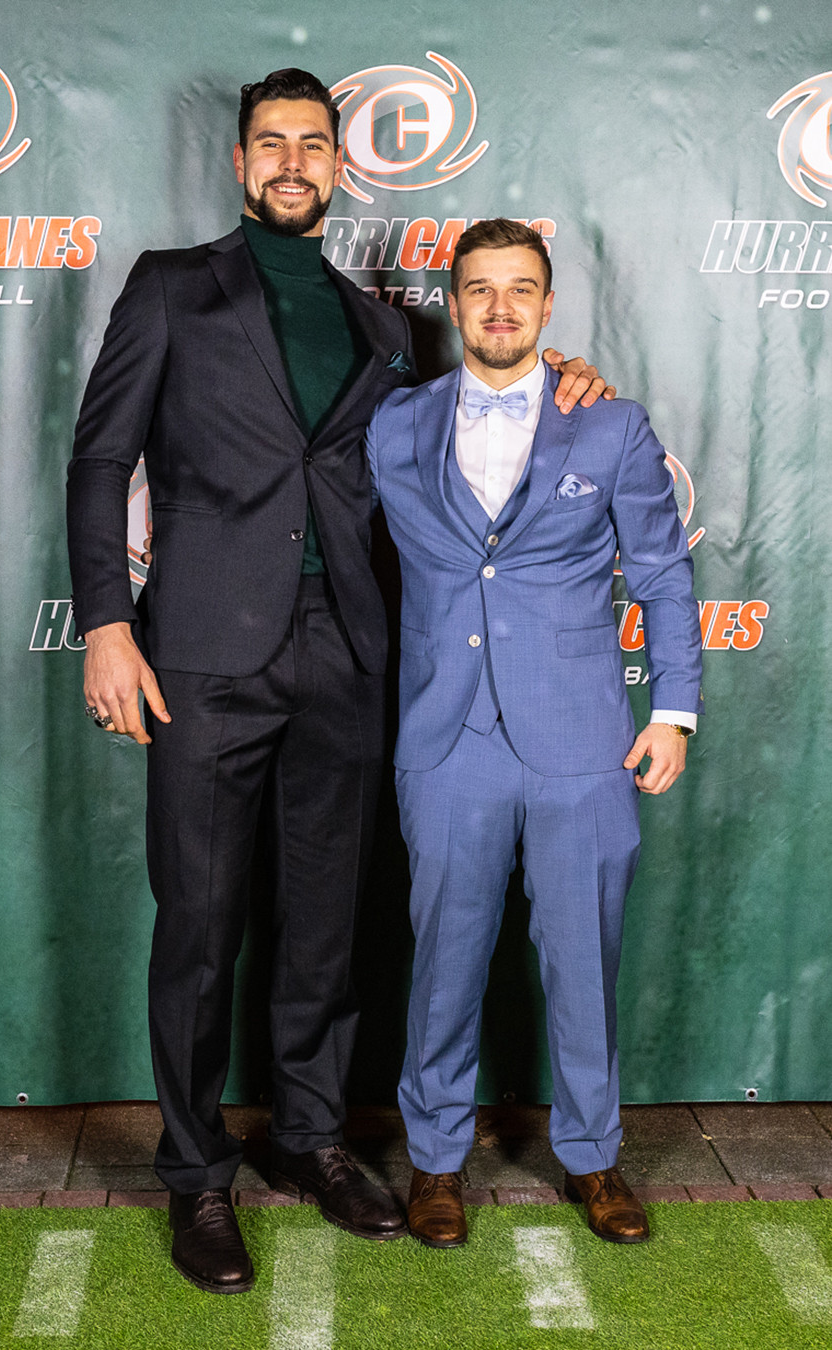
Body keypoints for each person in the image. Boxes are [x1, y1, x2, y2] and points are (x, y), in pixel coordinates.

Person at [67, 69, 610, 1295]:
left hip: (350, 652)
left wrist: (567, 377)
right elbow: (101, 459)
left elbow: (479, 409)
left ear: (339, 165)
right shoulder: (172, 286)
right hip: (200, 651)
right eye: (272, 143)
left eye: (314, 144)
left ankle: (308, 1137)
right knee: (199, 926)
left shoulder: (387, 327)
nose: (292, 162)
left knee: (325, 922)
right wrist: (106, 621)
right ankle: (198, 1172)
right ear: (241, 162)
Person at [365, 218, 703, 1250]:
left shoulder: (611, 424)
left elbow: (662, 573)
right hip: (446, 738)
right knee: (444, 961)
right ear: (453, 304)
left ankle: (594, 1157)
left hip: (582, 740)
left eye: (521, 289)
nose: (501, 306)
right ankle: (435, 1162)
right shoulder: (394, 424)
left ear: (549, 306)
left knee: (583, 961)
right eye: (480, 288)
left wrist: (674, 711)